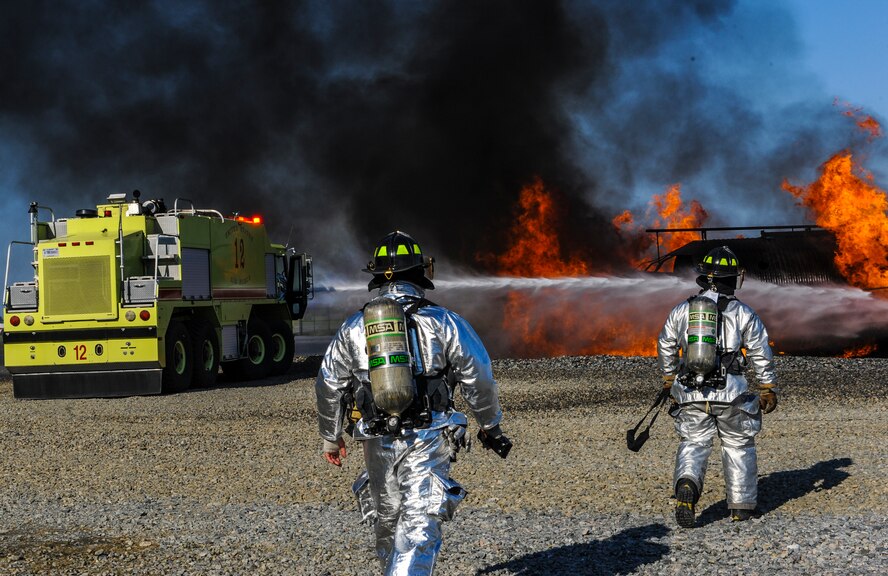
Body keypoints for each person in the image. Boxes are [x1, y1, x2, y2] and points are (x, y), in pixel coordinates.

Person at [316, 230, 510, 575]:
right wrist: (490, 425)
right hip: (427, 433)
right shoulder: (443, 321)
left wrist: (331, 437)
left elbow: (329, 382)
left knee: (388, 521)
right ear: (420, 272)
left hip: (375, 436)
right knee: (419, 525)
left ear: (377, 276)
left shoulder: (354, 326)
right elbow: (478, 376)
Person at [657, 245, 778, 528]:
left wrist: (669, 378)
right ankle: (741, 507)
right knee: (738, 445)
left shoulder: (683, 310)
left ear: (704, 277)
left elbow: (666, 343)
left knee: (693, 442)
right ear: (733, 278)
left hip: (690, 392)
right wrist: (767, 385)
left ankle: (687, 485)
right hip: (732, 393)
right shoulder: (744, 312)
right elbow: (760, 350)